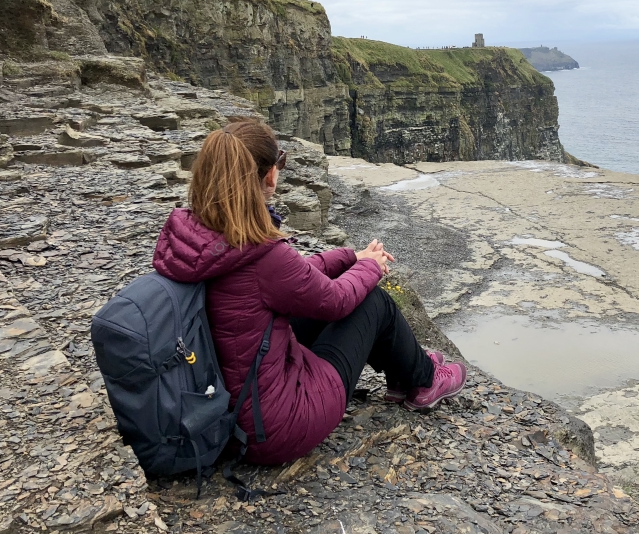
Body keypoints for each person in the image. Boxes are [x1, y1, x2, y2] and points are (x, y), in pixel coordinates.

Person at [152, 117, 466, 465]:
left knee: (350, 287)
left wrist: (351, 257)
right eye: (280, 163)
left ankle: (406, 372)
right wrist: (370, 267)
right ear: (270, 175)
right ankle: (423, 382)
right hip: (273, 426)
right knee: (372, 301)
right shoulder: (259, 254)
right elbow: (333, 301)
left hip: (221, 401)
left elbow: (297, 279)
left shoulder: (200, 236)